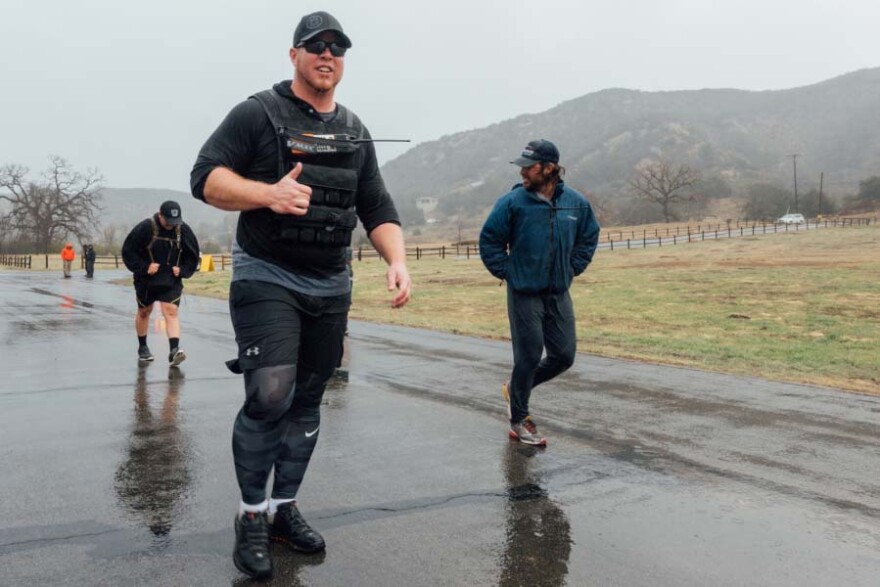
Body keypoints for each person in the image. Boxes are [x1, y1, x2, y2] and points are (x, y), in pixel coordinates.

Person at [190, 10, 412, 580]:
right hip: (267, 274)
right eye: (315, 46)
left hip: (331, 283)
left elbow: (377, 207)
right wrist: (266, 194)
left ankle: (283, 508)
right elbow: (206, 177)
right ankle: (251, 516)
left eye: (337, 47)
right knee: (270, 394)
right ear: (294, 55)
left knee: (309, 402)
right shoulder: (256, 114)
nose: (327, 55)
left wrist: (398, 261)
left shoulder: (356, 130)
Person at [479, 139, 600, 446]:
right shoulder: (513, 202)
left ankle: (515, 388)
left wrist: (572, 268)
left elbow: (589, 237)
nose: (523, 172)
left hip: (558, 291)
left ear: (549, 168)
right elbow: (490, 240)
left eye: (529, 166)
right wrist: (509, 272)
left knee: (563, 356)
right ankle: (519, 419)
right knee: (529, 356)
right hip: (524, 293)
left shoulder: (576, 203)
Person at [121, 201, 200, 366]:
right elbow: (128, 251)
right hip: (146, 279)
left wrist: (183, 270)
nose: (171, 226)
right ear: (160, 215)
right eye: (168, 221)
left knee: (170, 311)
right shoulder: (145, 228)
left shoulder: (182, 229)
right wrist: (144, 267)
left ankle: (174, 350)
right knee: (144, 311)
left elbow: (192, 254)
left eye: (175, 221)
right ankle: (143, 347)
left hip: (171, 278)